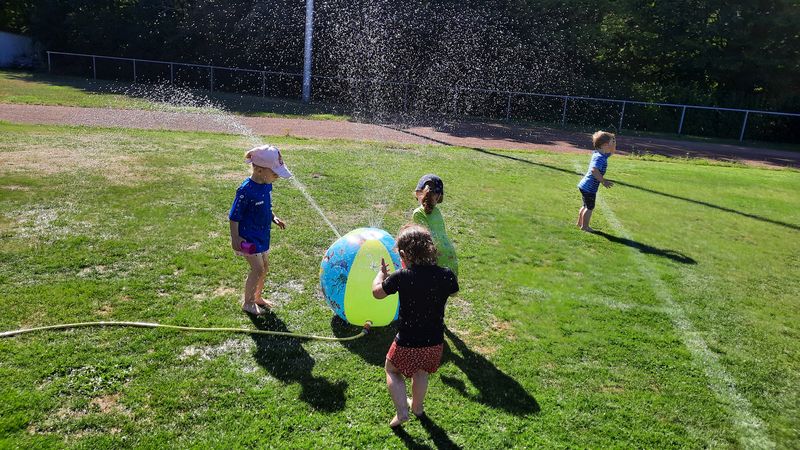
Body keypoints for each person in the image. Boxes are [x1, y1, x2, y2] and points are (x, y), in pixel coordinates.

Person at [372, 224, 459, 428]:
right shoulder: (445, 275)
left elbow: (377, 293)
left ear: (402, 254)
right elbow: (454, 291)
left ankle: (402, 411)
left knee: (392, 370)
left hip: (407, 341)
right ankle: (417, 408)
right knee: (421, 372)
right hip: (435, 342)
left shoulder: (402, 277)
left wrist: (381, 275)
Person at [229, 145, 292, 315]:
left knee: (264, 267)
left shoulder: (266, 185)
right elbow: (234, 216)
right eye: (274, 173)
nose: (277, 176)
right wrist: (235, 239)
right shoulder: (245, 191)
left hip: (262, 235)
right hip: (248, 238)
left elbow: (266, 206)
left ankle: (257, 297)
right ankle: (247, 303)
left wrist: (273, 217)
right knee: (257, 269)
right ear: (259, 170)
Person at [411, 174, 458, 276]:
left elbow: (423, 239)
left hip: (435, 255)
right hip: (449, 254)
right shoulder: (437, 211)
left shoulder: (418, 213)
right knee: (449, 289)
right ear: (439, 196)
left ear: (419, 192)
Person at [577, 131, 616, 232]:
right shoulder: (599, 158)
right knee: (589, 207)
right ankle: (584, 227)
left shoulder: (600, 154)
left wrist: (613, 142)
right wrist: (603, 181)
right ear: (605, 145)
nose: (614, 143)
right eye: (612, 141)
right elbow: (594, 170)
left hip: (585, 186)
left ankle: (579, 223)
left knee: (585, 205)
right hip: (589, 188)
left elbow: (612, 152)